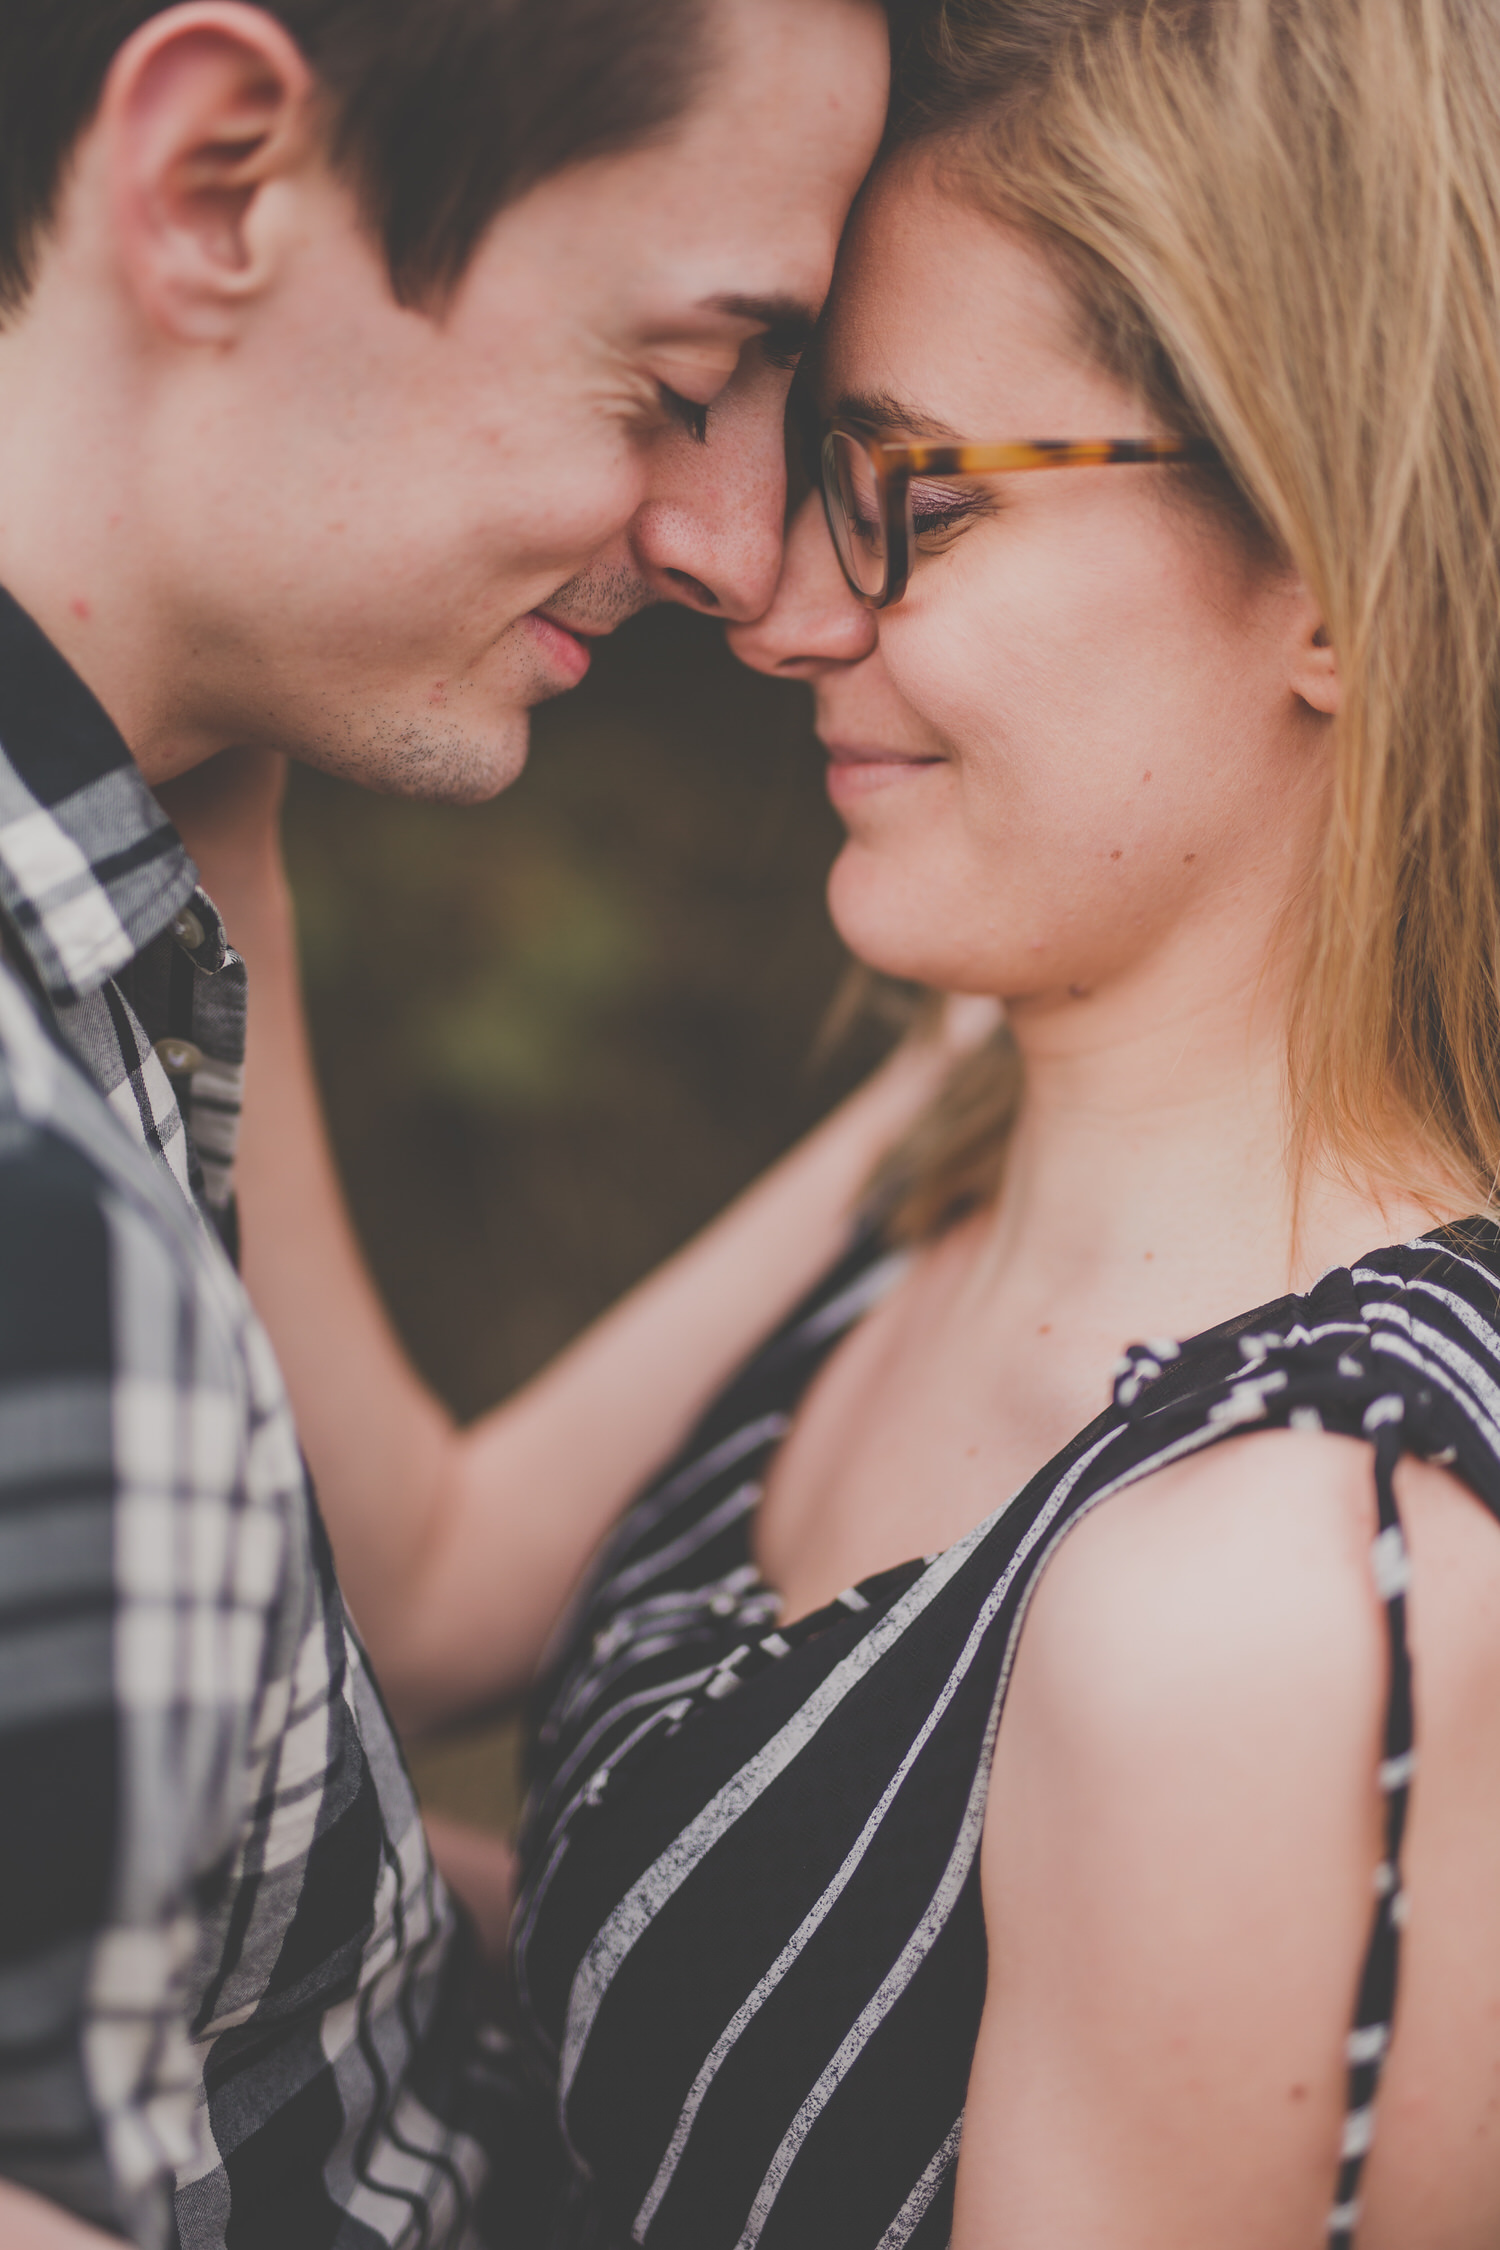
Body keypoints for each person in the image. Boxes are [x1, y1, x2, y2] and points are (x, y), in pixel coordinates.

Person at [113, 0, 1500, 2244]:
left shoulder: (1286, 1599)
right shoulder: (960, 1134)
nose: (772, 596)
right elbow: (425, 1585)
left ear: (1330, 559)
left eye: (910, 493)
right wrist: (232, 714)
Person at [0, 1, 920, 2243]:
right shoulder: (42, 1246)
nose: (736, 547)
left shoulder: (161, 841)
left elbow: (373, 1588)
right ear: (217, 179)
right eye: (682, 377)